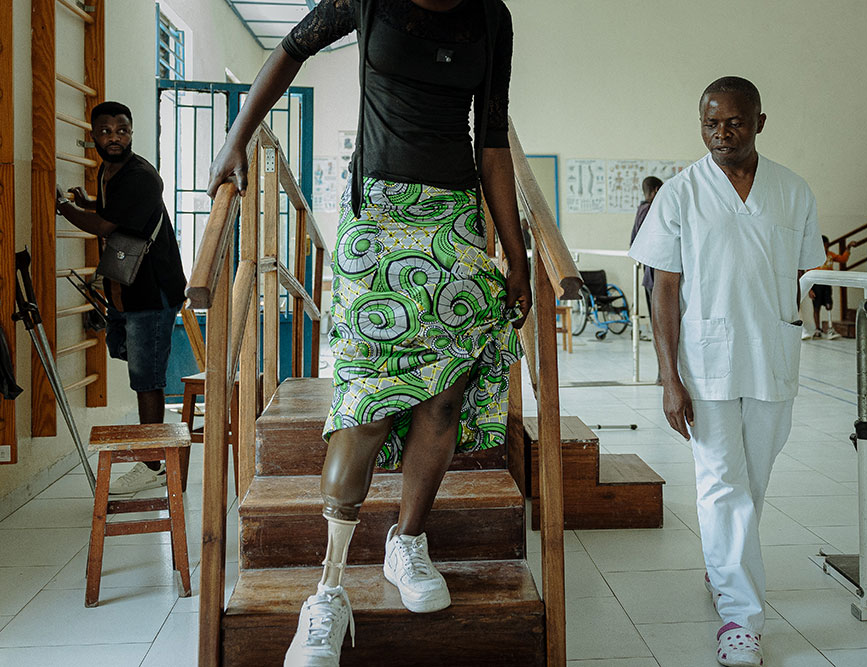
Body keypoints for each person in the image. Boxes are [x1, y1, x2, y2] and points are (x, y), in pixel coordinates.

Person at [205, 1, 531, 665]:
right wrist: (238, 133)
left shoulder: (490, 15)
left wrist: (517, 252)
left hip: (455, 222)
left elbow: (491, 139)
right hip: (375, 219)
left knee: (444, 393)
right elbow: (292, 48)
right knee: (367, 403)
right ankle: (326, 591)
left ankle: (406, 542)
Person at [629, 77, 824, 667]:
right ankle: (741, 618)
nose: (721, 133)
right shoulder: (681, 193)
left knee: (751, 485)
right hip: (705, 363)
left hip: (771, 359)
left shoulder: (792, 190)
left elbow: (798, 274)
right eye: (710, 123)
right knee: (721, 484)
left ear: (760, 122)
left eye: (734, 122)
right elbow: (664, 287)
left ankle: (725, 571)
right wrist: (669, 377)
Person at [56, 101, 187, 495]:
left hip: (152, 291)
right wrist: (86, 201)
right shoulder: (108, 169)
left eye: (122, 130)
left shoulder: (141, 175)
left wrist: (64, 207)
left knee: (146, 380)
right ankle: (161, 455)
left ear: (132, 133)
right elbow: (113, 211)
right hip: (125, 291)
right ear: (93, 134)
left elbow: (105, 224)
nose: (115, 137)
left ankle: (154, 465)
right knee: (137, 368)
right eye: (106, 131)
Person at [803, 235, 856, 340]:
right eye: (823, 246)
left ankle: (830, 328)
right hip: (816, 284)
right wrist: (809, 289)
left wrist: (848, 248)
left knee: (828, 305)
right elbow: (808, 273)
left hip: (827, 284)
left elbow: (842, 259)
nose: (825, 248)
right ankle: (817, 329)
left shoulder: (830, 255)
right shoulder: (814, 257)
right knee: (816, 307)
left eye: (827, 246)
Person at [630, 176, 663, 326]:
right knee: (660, 317)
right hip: (654, 272)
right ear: (656, 190)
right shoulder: (650, 210)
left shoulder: (641, 209)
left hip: (650, 271)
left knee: (656, 317)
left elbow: (633, 242)